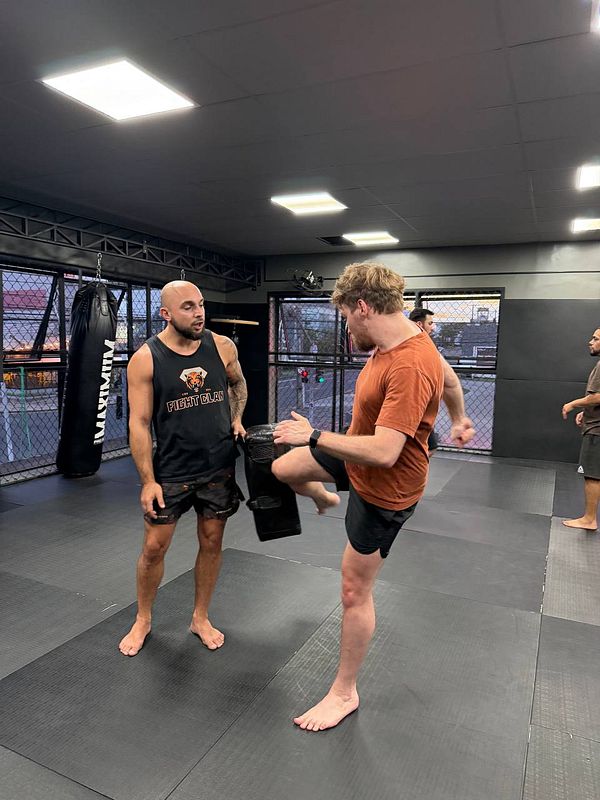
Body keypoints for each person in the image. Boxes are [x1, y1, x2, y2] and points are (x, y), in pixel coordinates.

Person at [272, 261, 474, 731]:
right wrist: (459, 418)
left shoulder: (409, 362)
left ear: (362, 307)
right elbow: (449, 382)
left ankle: (344, 693)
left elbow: (385, 452)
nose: (345, 326)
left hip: (386, 488)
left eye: (345, 316)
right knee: (282, 467)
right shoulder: (403, 340)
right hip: (356, 457)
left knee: (352, 590)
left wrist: (315, 436)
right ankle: (326, 498)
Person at [118, 280, 247, 656]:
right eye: (188, 307)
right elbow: (139, 424)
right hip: (171, 472)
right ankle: (143, 619)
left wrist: (237, 418)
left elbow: (238, 384)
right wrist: (147, 481)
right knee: (154, 548)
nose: (199, 313)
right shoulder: (146, 358)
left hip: (218, 467)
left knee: (212, 542)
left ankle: (200, 617)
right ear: (166, 314)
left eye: (201, 305)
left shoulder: (222, 346)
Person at [561, 327, 600, 531]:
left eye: (595, 339)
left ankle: (589, 519)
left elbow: (597, 397)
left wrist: (573, 404)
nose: (590, 341)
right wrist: (586, 412)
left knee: (592, 474)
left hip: (597, 430)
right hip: (594, 422)